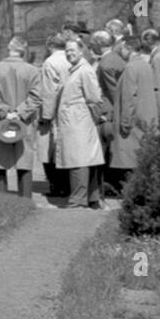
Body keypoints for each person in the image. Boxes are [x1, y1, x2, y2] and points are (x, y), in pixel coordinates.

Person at [0, 36, 40, 197]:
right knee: (25, 161)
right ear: (23, 51)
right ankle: (26, 201)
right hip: (25, 121)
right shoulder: (33, 71)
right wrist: (19, 113)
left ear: (9, 49)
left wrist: (5, 111)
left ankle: (1, 200)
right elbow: (36, 97)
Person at [55, 37, 108, 209]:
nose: (69, 53)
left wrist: (95, 119)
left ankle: (79, 199)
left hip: (80, 122)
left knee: (79, 160)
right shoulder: (75, 70)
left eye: (72, 50)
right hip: (75, 122)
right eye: (67, 50)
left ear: (81, 51)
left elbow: (94, 99)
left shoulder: (84, 71)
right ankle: (90, 198)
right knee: (82, 159)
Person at [111, 32, 157, 196]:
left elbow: (129, 97)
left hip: (134, 121)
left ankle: (132, 193)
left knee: (130, 160)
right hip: (145, 117)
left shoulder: (131, 67)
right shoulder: (145, 65)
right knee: (139, 159)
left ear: (126, 48)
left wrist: (125, 122)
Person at [35, 32, 72, 198]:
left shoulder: (50, 63)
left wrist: (46, 116)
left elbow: (49, 92)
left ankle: (57, 186)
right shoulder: (72, 59)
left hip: (55, 112)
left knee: (49, 151)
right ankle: (69, 184)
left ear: (50, 46)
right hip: (71, 109)